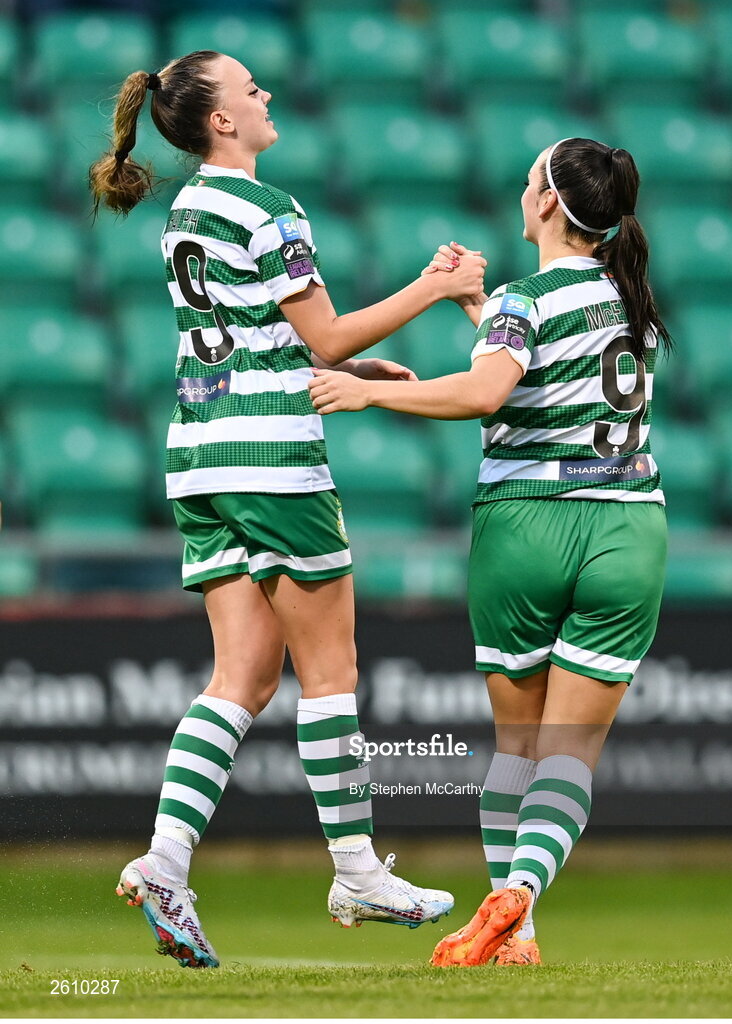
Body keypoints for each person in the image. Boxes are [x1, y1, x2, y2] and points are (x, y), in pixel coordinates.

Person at [89, 50, 487, 968]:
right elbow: (324, 330)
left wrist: (343, 371)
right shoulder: (268, 207)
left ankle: (164, 862)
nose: (266, 96)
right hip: (272, 458)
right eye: (250, 89)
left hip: (198, 456)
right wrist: (436, 289)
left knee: (242, 680)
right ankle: (355, 871)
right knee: (331, 667)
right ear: (221, 120)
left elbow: (254, 337)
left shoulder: (187, 209)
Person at [308, 137, 672, 967]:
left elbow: (485, 393)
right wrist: (473, 310)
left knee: (516, 747)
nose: (519, 194)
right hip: (626, 526)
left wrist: (367, 390)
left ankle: (521, 922)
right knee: (570, 753)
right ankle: (524, 903)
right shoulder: (633, 299)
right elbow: (546, 377)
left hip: (525, 525)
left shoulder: (525, 300)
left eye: (524, 182)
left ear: (546, 202)